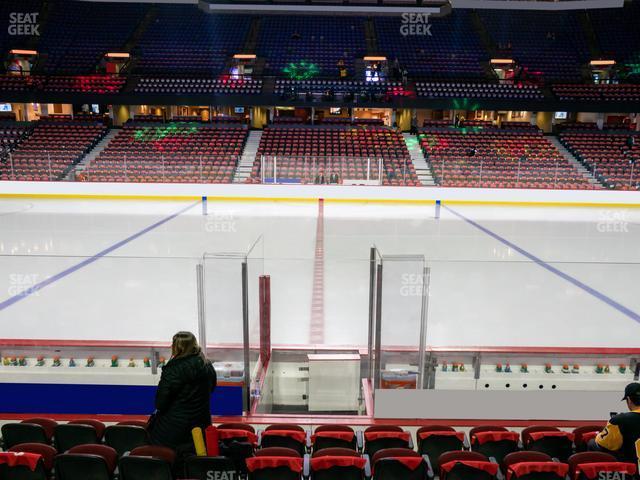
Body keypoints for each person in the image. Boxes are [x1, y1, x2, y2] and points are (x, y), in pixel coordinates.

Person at [148, 331, 217, 451]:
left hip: (173, 431)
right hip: (201, 425)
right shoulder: (207, 365)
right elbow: (212, 388)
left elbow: (160, 403)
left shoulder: (173, 369)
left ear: (176, 347)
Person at [592, 382, 640, 466]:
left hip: (631, 471)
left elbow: (604, 444)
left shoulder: (619, 420)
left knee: (592, 443)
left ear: (628, 399)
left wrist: (598, 435)